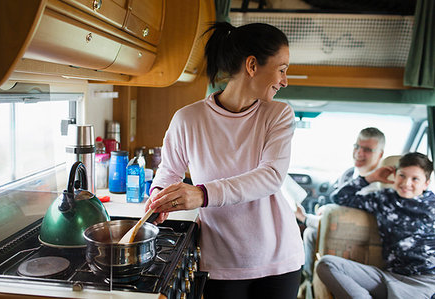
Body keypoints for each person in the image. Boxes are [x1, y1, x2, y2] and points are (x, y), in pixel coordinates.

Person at [145, 22, 304, 299]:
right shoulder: (188, 118)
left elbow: (270, 177)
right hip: (222, 261)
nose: (284, 80)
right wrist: (160, 196)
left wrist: (202, 194)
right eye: (282, 69)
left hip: (278, 259)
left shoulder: (278, 115)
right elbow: (169, 171)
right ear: (252, 65)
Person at [316, 152, 435, 299]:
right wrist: (370, 178)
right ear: (395, 174)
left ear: (426, 183)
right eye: (402, 175)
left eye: (415, 179)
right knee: (326, 264)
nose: (406, 183)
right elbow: (340, 197)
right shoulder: (384, 199)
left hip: (424, 281)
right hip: (389, 277)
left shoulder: (432, 205)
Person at [296, 127, 386, 280]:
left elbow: (343, 227)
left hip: (350, 243)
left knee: (310, 233)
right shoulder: (349, 174)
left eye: (367, 149)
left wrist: (304, 218)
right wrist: (327, 209)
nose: (359, 153)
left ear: (380, 154)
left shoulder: (374, 191)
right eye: (357, 146)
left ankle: (308, 279)